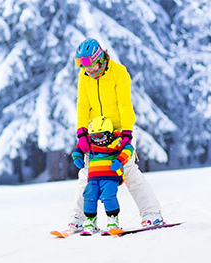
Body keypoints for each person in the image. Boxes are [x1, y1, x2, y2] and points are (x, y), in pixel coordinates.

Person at [69, 38, 164, 231]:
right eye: (81, 64)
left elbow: (124, 104)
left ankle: (151, 213)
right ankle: (78, 218)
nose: (85, 69)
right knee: (87, 173)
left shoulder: (118, 72)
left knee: (127, 170)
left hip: (120, 131)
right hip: (95, 132)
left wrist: (127, 134)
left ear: (98, 58)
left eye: (87, 63)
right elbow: (83, 104)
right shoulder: (84, 76)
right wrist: (82, 133)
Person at [72, 116, 134, 236]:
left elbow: (128, 148)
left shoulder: (116, 141)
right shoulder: (91, 143)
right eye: (94, 137)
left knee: (108, 196)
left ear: (109, 134)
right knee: (89, 196)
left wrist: (120, 160)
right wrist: (77, 157)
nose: (97, 140)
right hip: (93, 177)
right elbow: (79, 148)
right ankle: (90, 221)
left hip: (110, 176)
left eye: (100, 136)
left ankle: (112, 220)